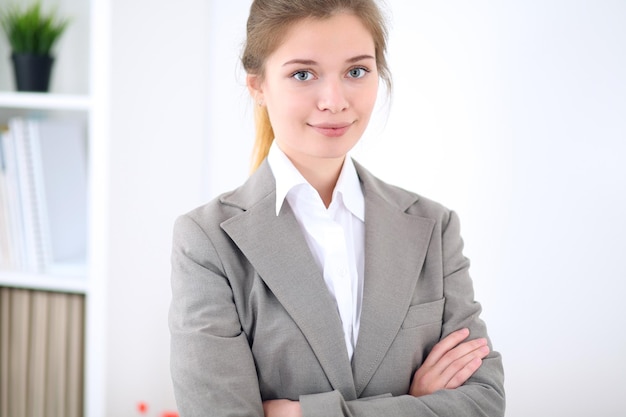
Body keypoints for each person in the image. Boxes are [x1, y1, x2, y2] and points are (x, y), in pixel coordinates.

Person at [169, 0, 505, 416]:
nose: (334, 100)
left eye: (356, 71)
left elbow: (483, 403)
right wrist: (413, 404)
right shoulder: (208, 242)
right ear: (257, 86)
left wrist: (303, 414)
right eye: (303, 74)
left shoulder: (433, 227)